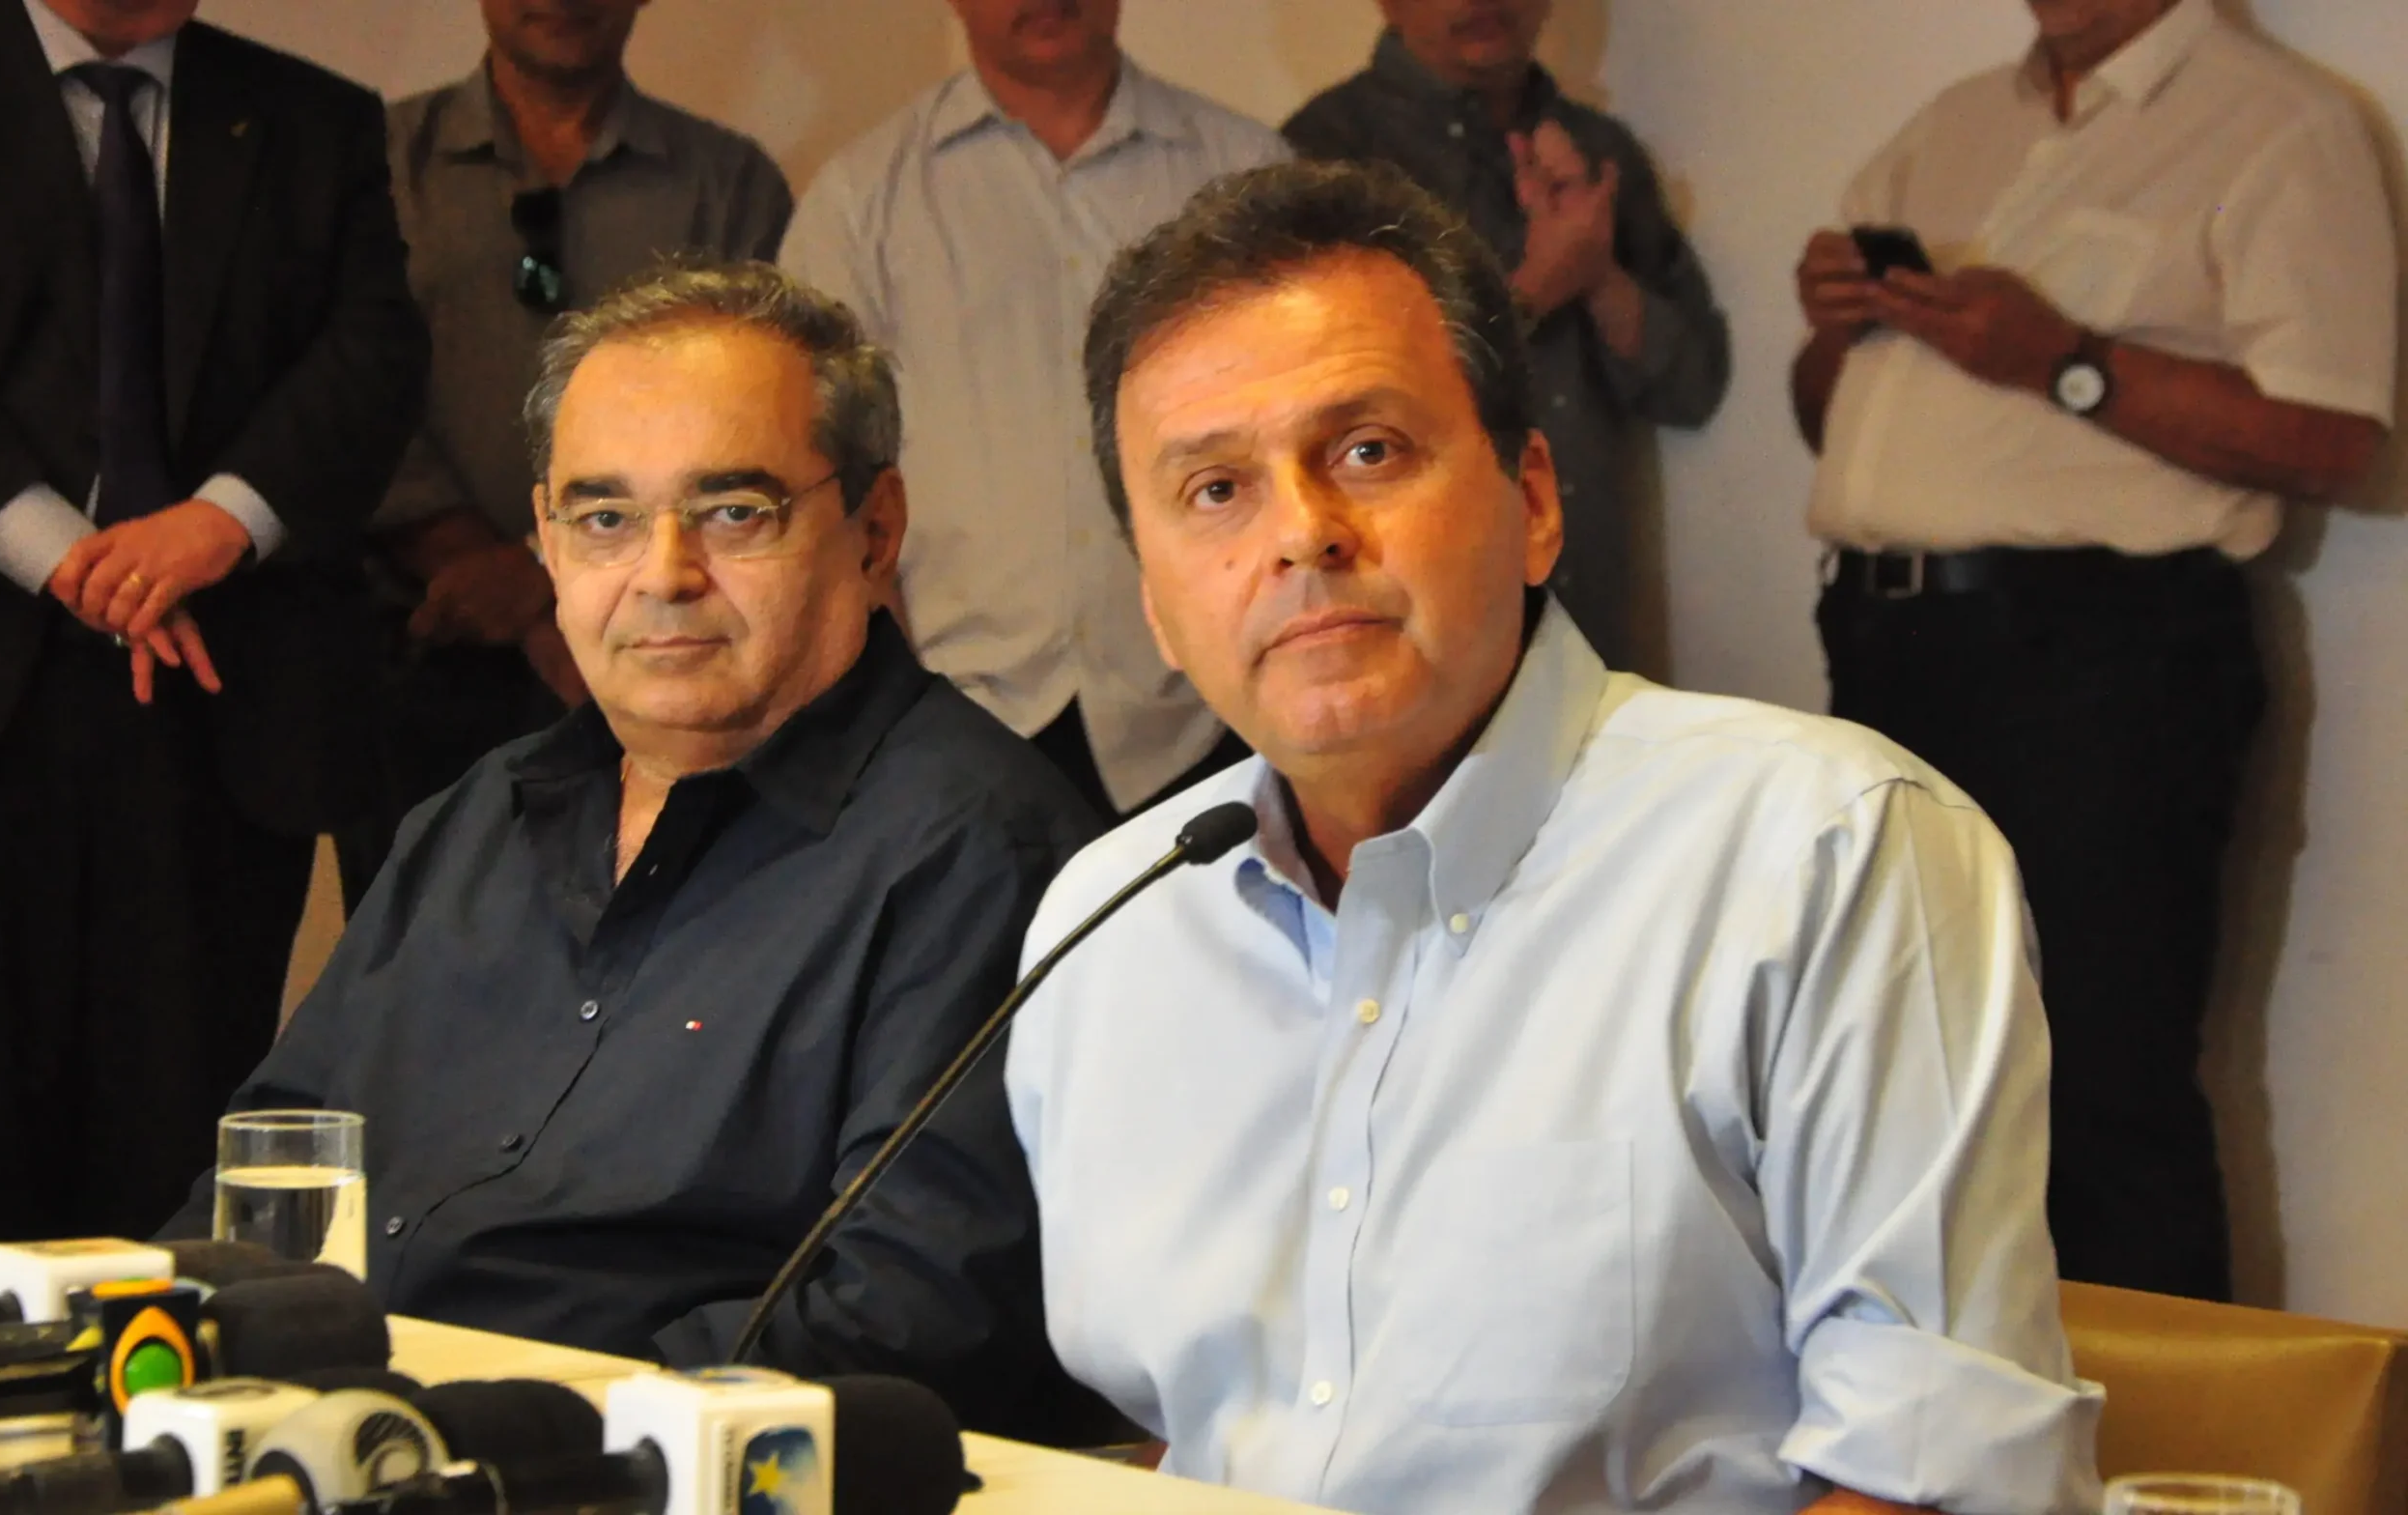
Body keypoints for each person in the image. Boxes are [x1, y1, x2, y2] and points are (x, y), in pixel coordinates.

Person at [1006, 160, 2101, 1515]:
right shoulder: (1106, 929)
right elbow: (1196, 1437)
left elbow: (1940, 1483)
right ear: (1156, 604)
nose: (1302, 534)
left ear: (1532, 501)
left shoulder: (1827, 854)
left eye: (1366, 451)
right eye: (1215, 489)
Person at [167, 263, 1105, 1444]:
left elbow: (904, 1324)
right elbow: (266, 1187)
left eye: (735, 512)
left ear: (875, 534)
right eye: (605, 518)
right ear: (548, 545)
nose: (664, 573)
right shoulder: (472, 819)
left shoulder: (981, 853)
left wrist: (468, 1442)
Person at [1793, 0, 2395, 1301]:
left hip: (2104, 660)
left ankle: (2160, 1430)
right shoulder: (1949, 126)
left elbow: (2335, 439)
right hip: (1886, 645)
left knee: (2103, 1089)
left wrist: (2065, 362)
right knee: (1902, 1081)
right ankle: (1951, 1417)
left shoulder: (2282, 126)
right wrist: (1836, 329)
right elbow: (1821, 412)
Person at [0, 0, 428, 1242]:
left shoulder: (313, 119)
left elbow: (374, 355)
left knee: (174, 1168)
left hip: (222, 721)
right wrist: (68, 555)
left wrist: (217, 522)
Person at [779, 0, 1287, 819]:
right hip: (958, 711)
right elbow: (819, 460)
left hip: (1209, 707)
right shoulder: (861, 199)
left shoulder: (1244, 172)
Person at [338, 0, 794, 909]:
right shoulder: (375, 162)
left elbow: (754, 415)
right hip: (421, 649)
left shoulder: (727, 183)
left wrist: (547, 570)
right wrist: (503, 575)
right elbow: (346, 391)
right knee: (427, 963)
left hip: (662, 657)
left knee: (661, 955)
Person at [1283, 0, 1730, 671]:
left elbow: (1693, 386)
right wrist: (1536, 289)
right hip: (1418, 629)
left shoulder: (1599, 149)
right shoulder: (1325, 155)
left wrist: (1600, 277)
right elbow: (1333, 399)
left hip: (1599, 619)